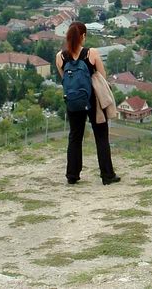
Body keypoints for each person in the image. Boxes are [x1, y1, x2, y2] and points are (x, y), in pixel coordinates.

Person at [55, 21, 121, 185]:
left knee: (75, 136)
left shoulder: (60, 56)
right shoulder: (92, 53)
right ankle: (107, 175)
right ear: (83, 36)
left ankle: (72, 174)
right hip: (93, 99)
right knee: (101, 136)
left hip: (72, 99)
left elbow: (64, 79)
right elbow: (102, 76)